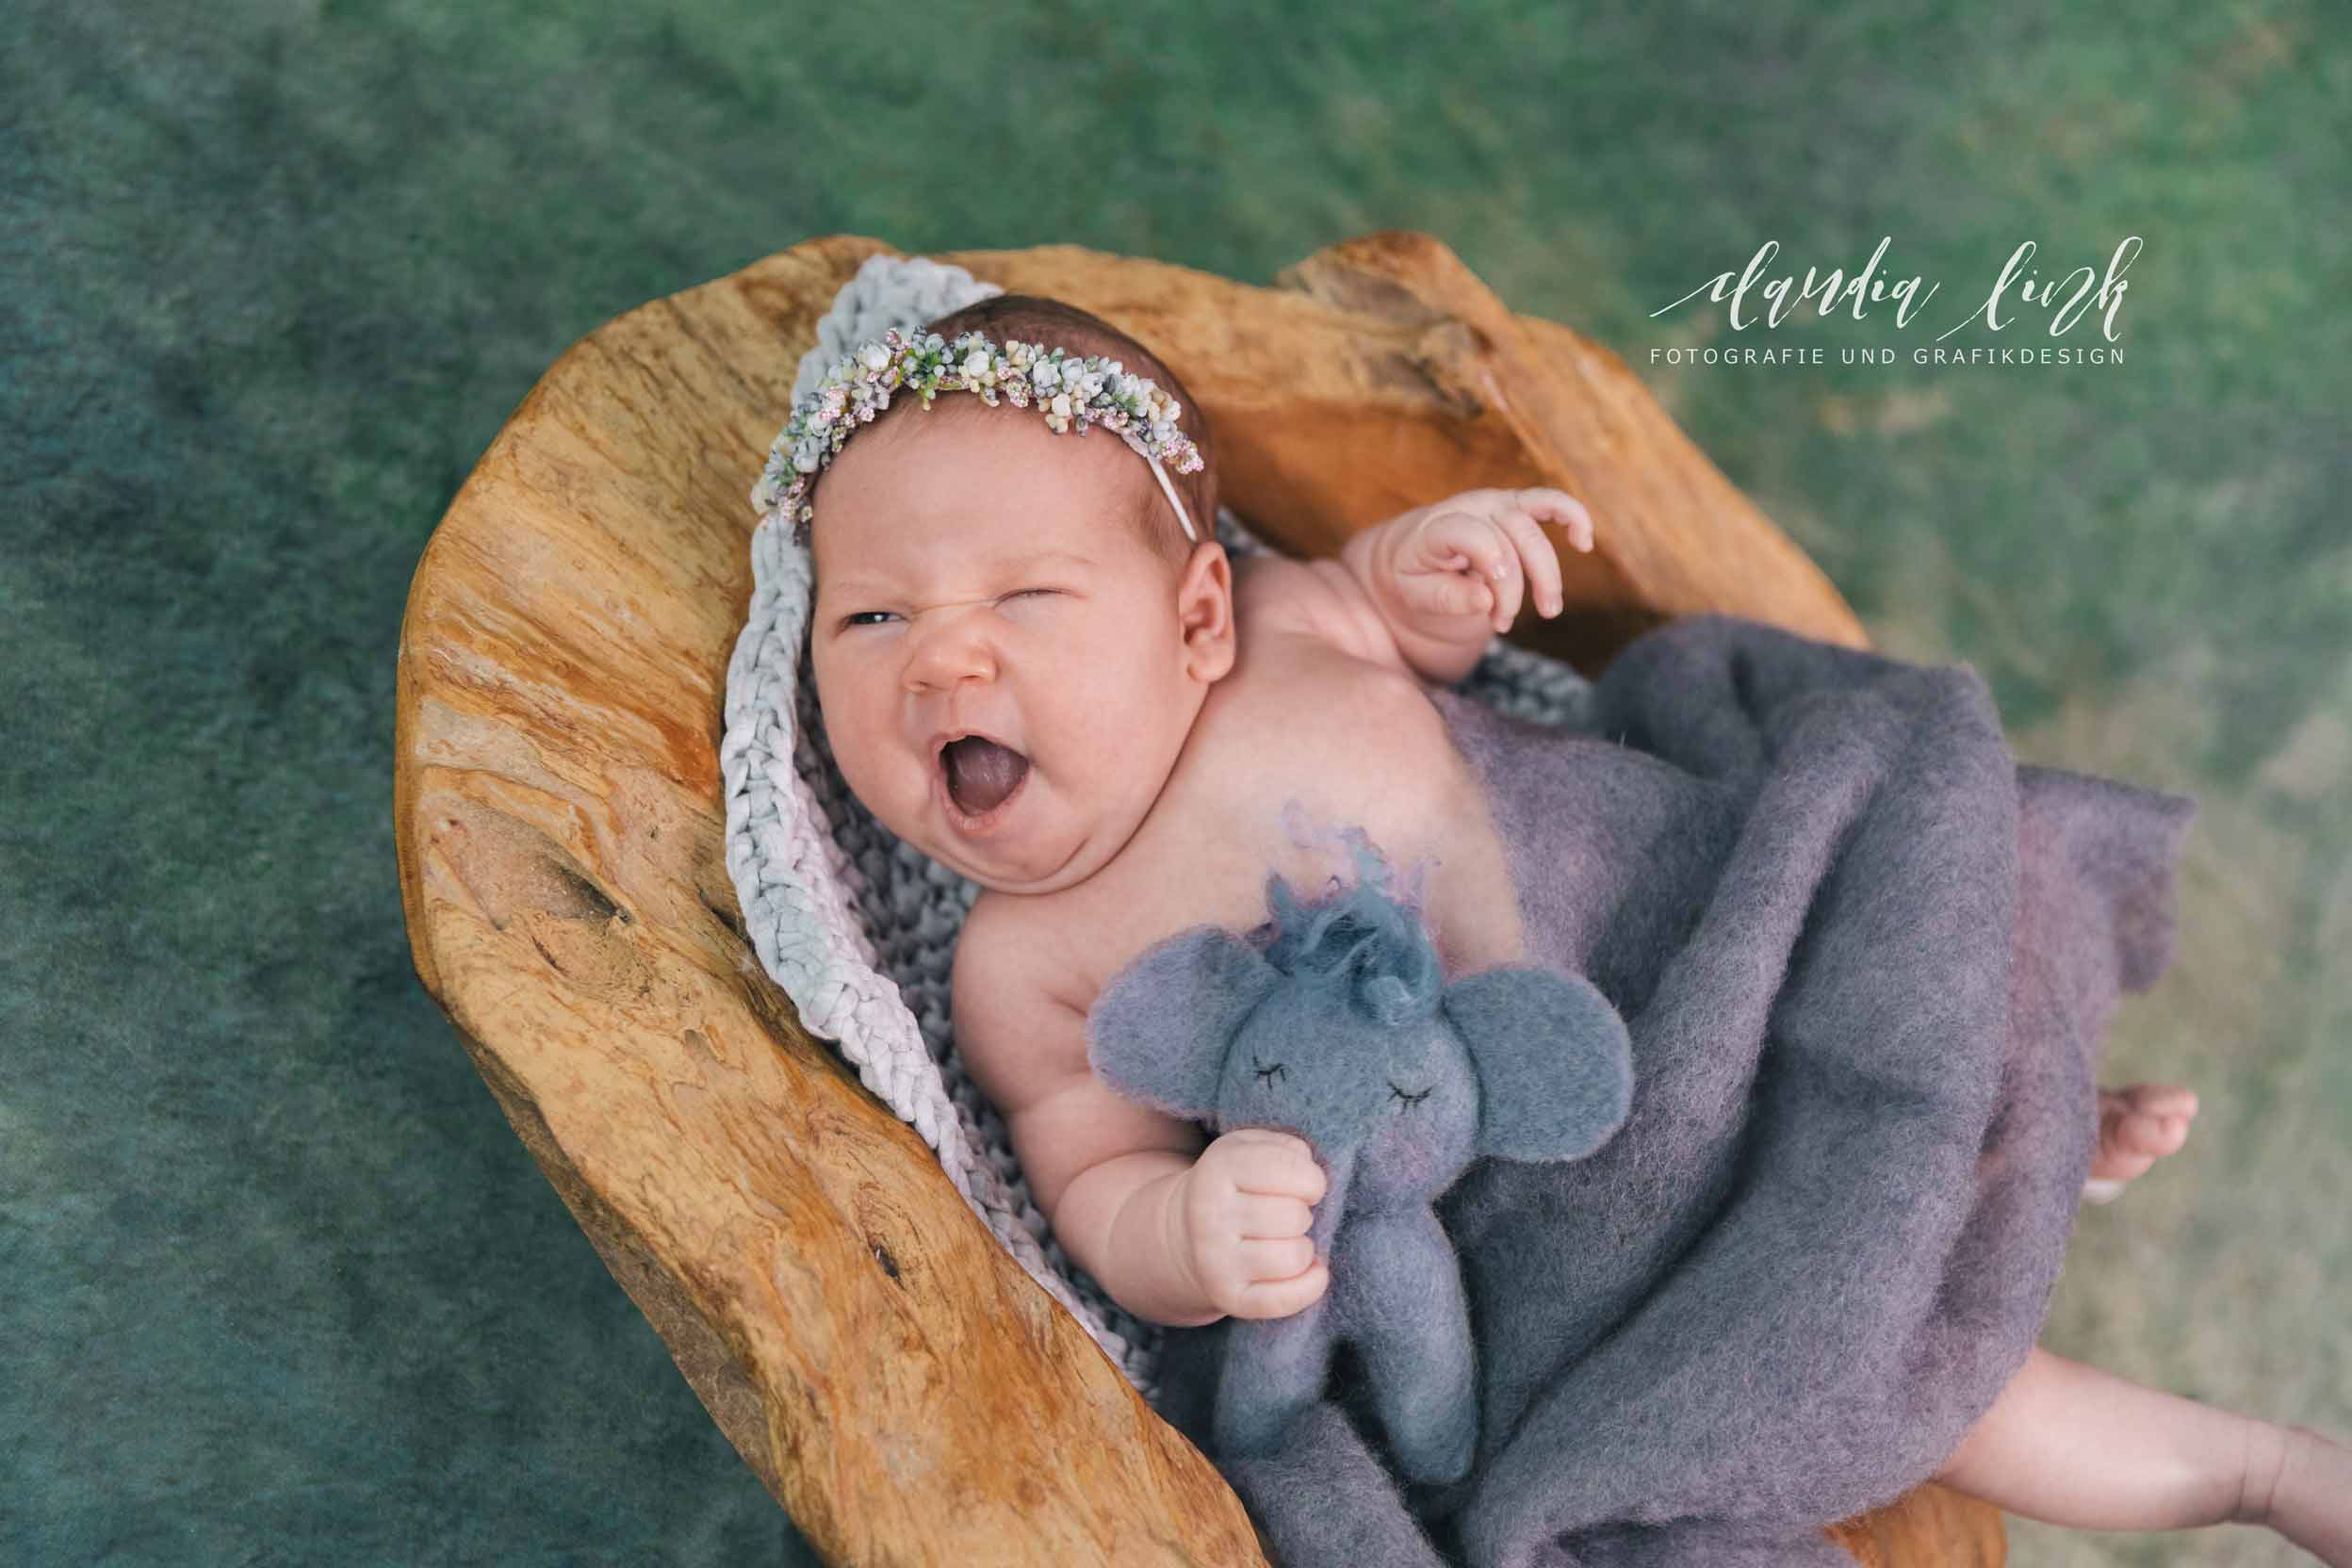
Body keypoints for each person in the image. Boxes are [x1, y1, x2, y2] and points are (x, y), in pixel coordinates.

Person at [771, 291, 2351, 1561]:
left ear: (1193, 616)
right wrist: (1187, 1235)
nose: (942, 662)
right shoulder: (1023, 963)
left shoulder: (1282, 625)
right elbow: (1089, 1178)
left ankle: (2015, 1114)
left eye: (1023, 601)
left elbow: (1406, 626)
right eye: (873, 616)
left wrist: (1429, 583)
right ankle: (2255, 1466)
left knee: (1914, 916)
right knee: (1905, 1371)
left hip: (1697, 941)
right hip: (1570, 1214)